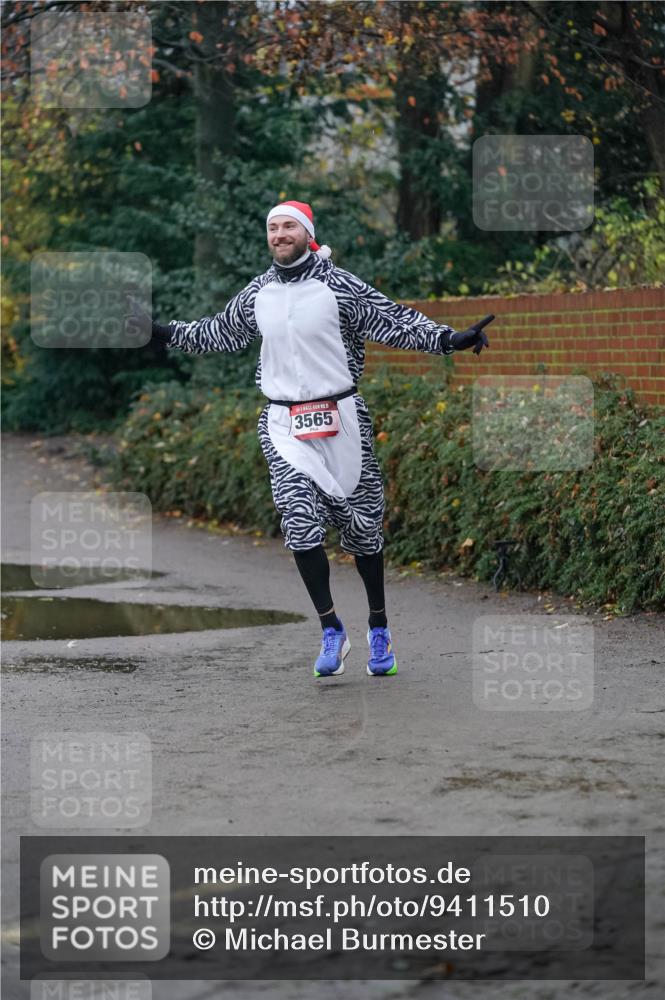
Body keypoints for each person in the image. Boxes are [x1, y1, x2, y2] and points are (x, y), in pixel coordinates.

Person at [128, 200, 491, 679]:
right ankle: (331, 629)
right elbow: (218, 332)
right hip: (283, 424)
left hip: (343, 418)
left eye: (288, 227)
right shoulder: (258, 292)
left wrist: (449, 339)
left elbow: (395, 320)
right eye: (272, 228)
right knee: (299, 521)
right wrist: (159, 332)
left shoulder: (339, 286)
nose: (279, 234)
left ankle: (378, 626)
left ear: (306, 233)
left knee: (364, 531)